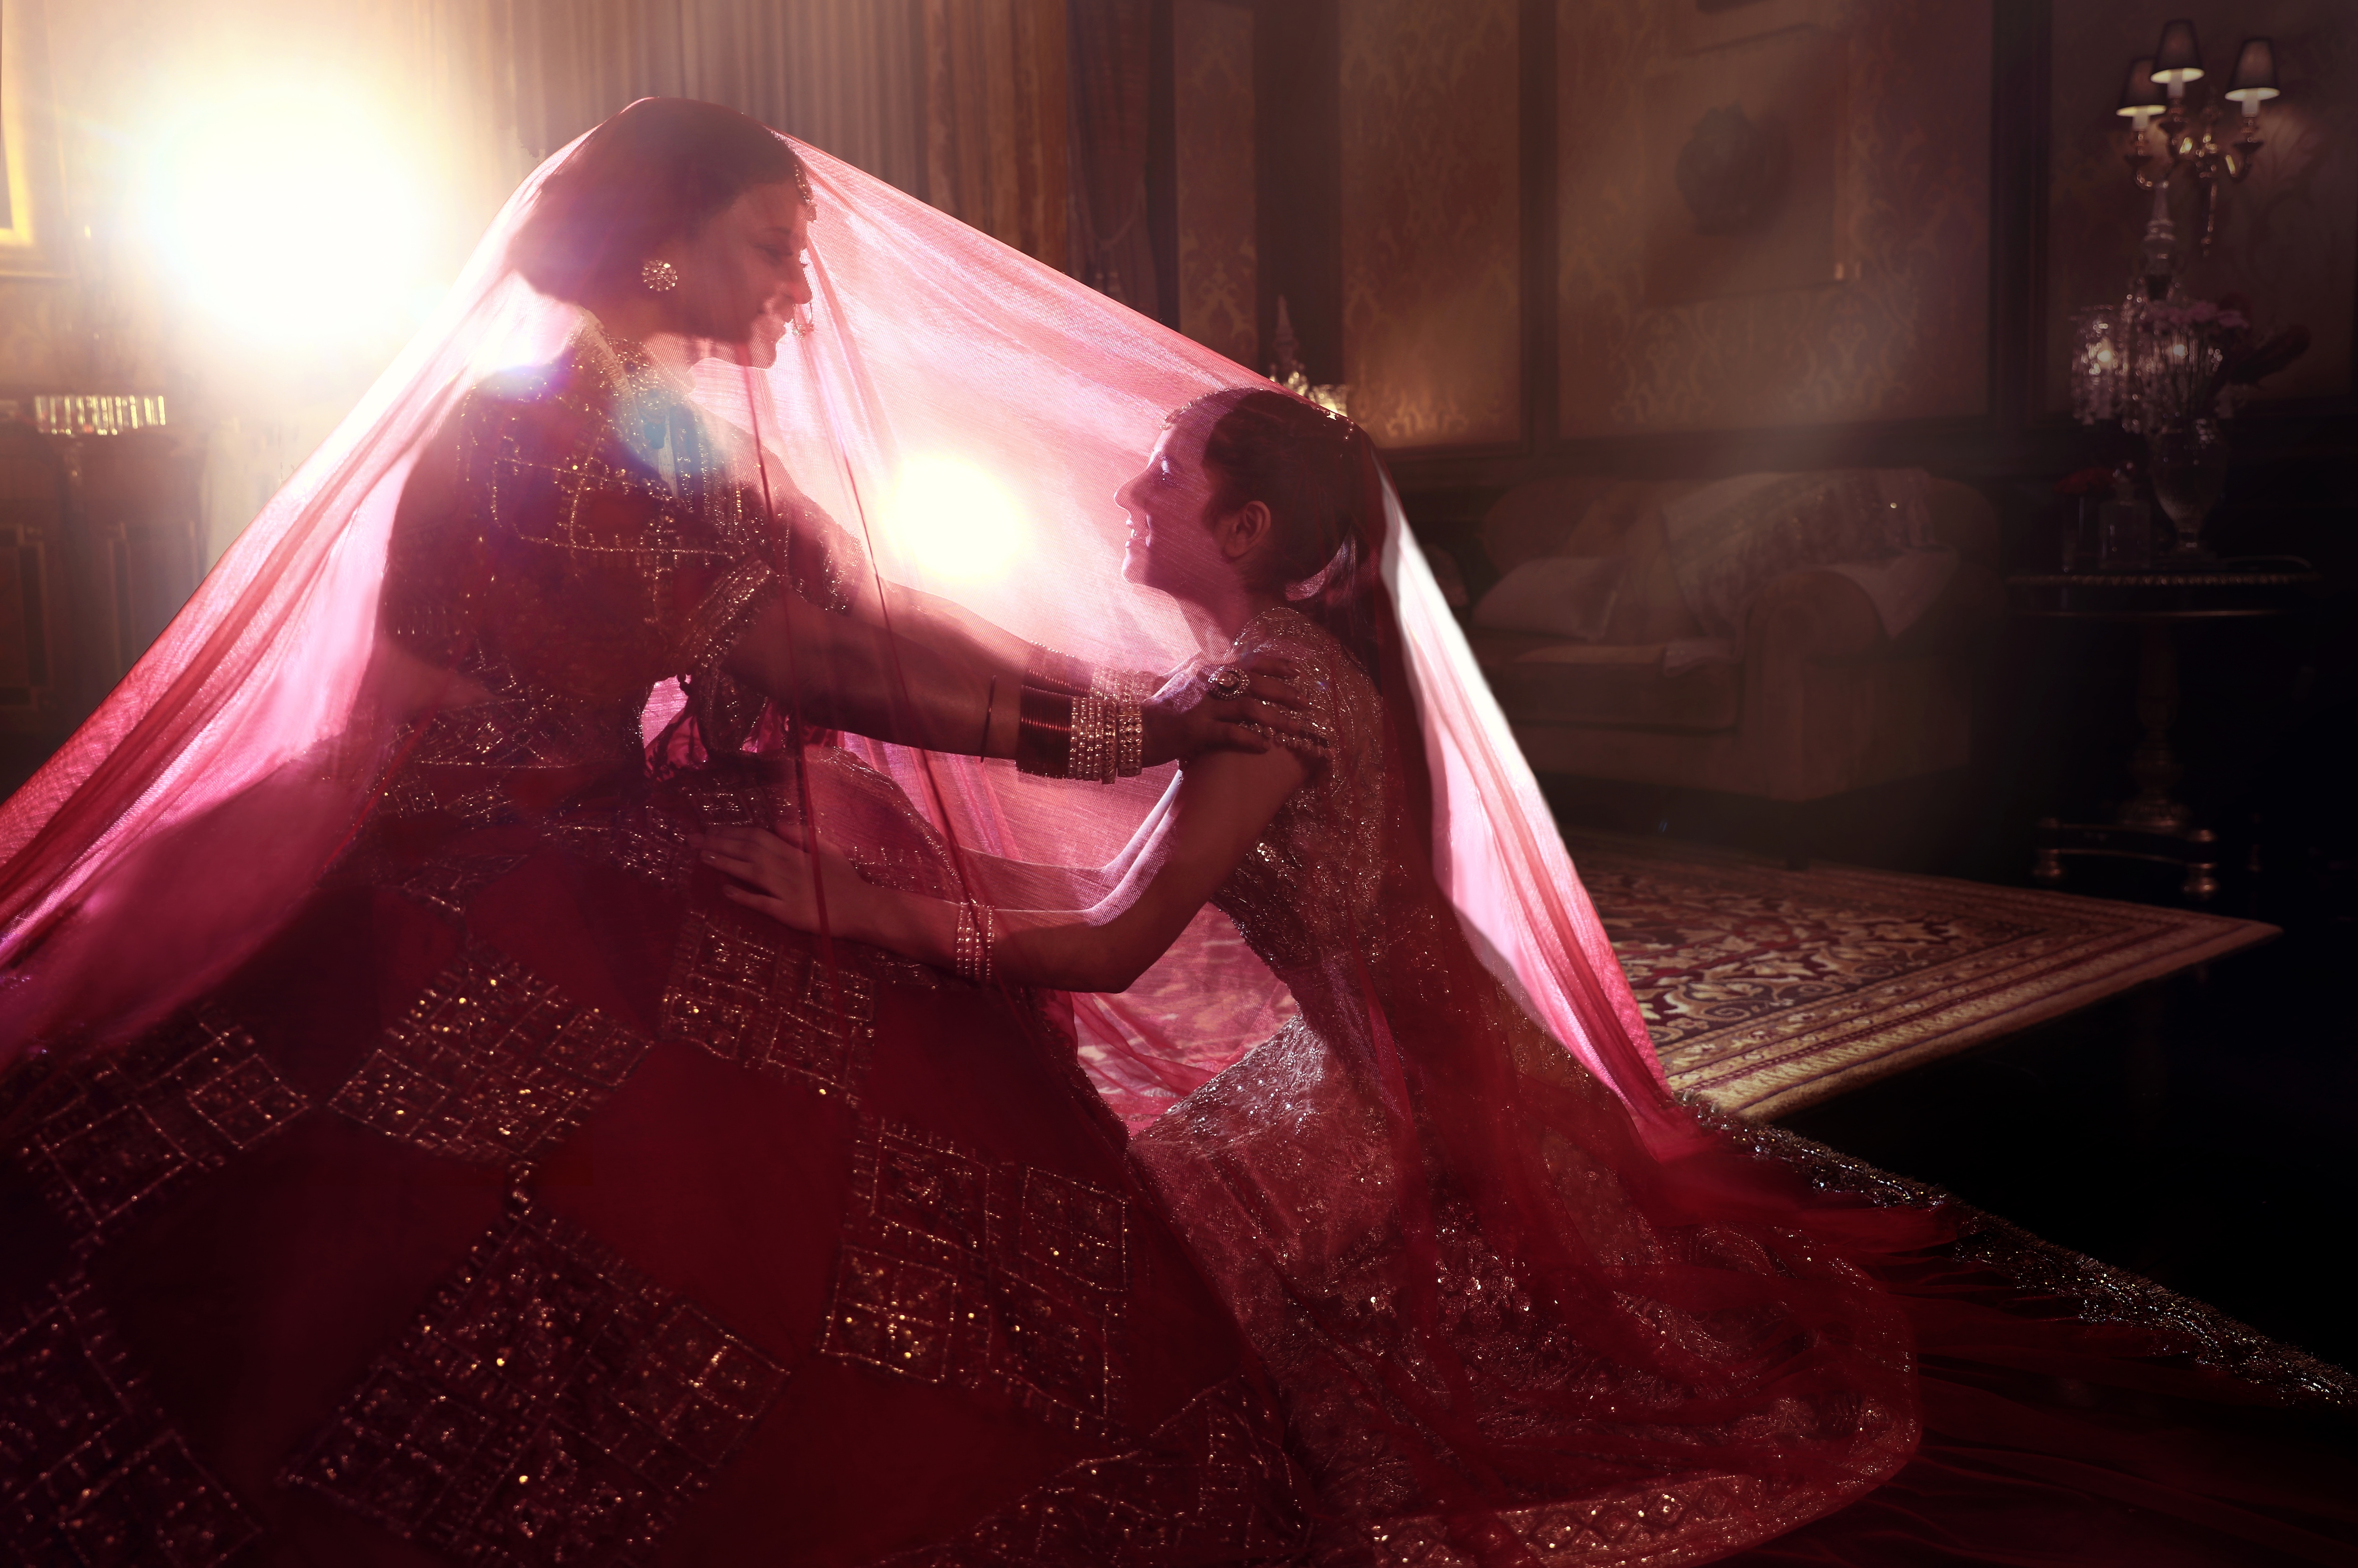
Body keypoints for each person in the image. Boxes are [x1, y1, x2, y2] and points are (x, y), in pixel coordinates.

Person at [710, 387, 2358, 1567]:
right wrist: (886, 705)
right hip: (1407, 1037)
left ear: (1250, 526)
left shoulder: (1271, 694)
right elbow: (1105, 785)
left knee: (1201, 1303)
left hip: (1399, 1084)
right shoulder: (1260, 666)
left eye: (1162, 477)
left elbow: (1123, 938)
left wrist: (864, 912)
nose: (1129, 501)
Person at [0, 100, 1320, 1566]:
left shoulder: (641, 421)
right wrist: (1122, 735)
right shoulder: (543, 427)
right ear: (667, 253)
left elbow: (854, 626)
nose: (799, 288)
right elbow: (807, 658)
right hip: (475, 864)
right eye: (770, 246)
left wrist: (1121, 708)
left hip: (606, 834)